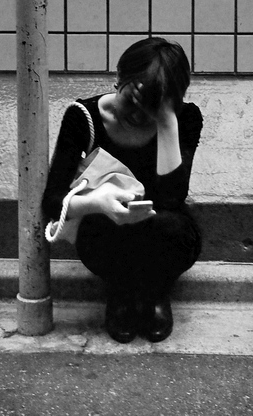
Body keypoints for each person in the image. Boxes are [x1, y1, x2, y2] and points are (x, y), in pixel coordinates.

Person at [42, 37, 203, 344]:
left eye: (150, 107)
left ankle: (156, 291)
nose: (139, 116)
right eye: (132, 99)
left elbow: (172, 198)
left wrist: (167, 123)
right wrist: (97, 202)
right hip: (105, 234)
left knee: (173, 228)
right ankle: (120, 292)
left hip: (162, 233)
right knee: (102, 231)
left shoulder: (184, 119)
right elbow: (52, 202)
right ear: (119, 78)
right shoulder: (83, 117)